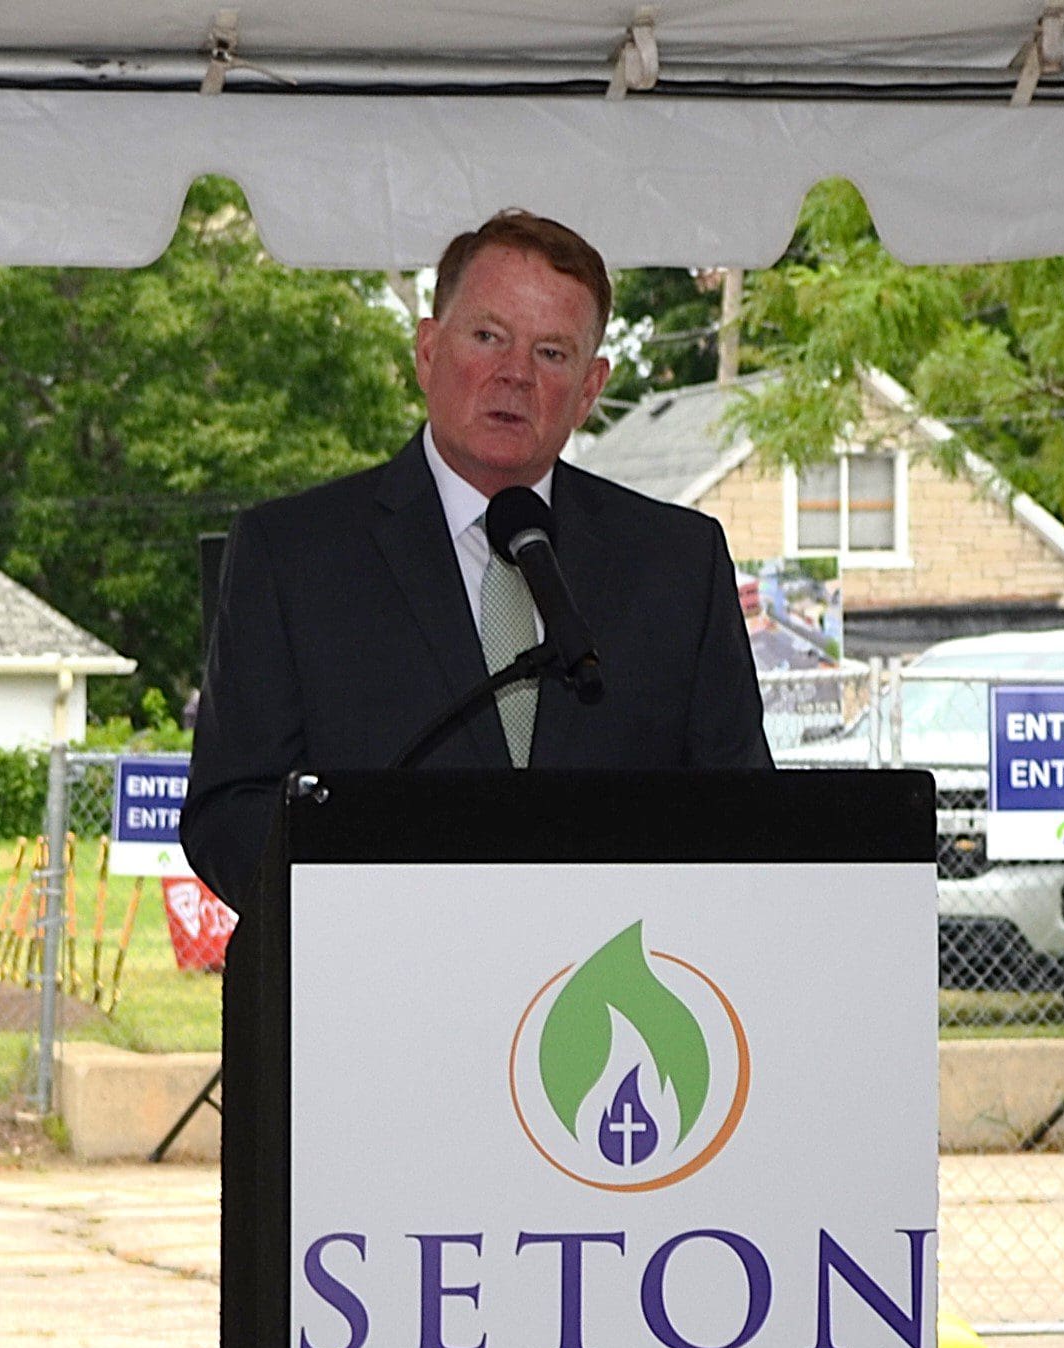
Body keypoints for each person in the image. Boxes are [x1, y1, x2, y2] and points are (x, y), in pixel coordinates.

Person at [181, 209, 773, 910]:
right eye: (489, 336)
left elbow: (745, 813)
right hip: (380, 984)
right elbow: (230, 811)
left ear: (589, 388)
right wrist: (364, 910)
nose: (514, 375)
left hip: (605, 988)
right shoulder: (295, 555)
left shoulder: (676, 564)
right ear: (428, 351)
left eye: (551, 353)